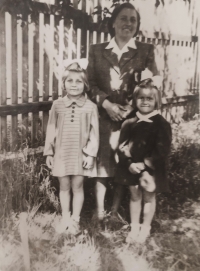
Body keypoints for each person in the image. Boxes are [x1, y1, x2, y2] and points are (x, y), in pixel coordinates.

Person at [87, 2, 159, 224]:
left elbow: (151, 84)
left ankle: (116, 211)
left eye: (133, 20)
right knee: (101, 162)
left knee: (123, 163)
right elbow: (89, 84)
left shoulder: (145, 51)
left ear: (137, 26)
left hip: (131, 119)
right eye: (123, 18)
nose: (128, 23)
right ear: (113, 22)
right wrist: (107, 105)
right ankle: (99, 211)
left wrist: (130, 108)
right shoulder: (97, 50)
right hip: (103, 115)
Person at [44, 60, 99, 234]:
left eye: (78, 81)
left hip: (79, 155)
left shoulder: (90, 107)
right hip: (61, 153)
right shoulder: (57, 105)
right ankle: (65, 217)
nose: (74, 85)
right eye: (70, 81)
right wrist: (49, 152)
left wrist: (90, 154)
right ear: (63, 84)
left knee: (78, 185)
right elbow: (51, 129)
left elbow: (94, 133)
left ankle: (75, 220)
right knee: (64, 186)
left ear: (85, 84)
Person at [116, 78, 172, 243]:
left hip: (151, 168)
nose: (145, 101)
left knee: (149, 196)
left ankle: (145, 228)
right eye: (141, 98)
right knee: (134, 195)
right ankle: (134, 228)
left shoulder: (162, 124)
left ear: (156, 101)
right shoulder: (129, 123)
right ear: (135, 100)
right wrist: (129, 163)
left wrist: (145, 164)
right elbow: (122, 146)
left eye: (150, 98)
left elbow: (163, 150)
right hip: (132, 167)